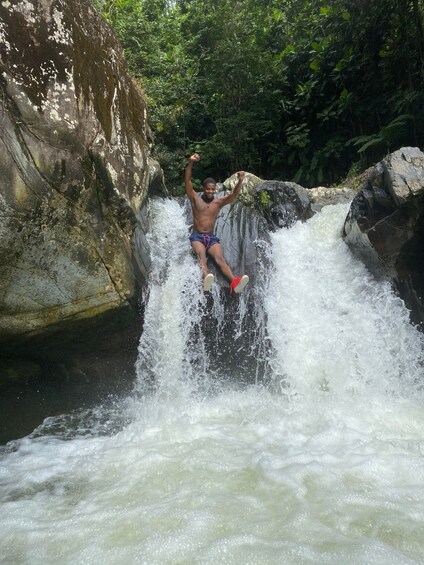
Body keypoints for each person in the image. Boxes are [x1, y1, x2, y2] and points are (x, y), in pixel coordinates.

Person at [184, 153, 249, 293]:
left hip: (211, 238)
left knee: (219, 258)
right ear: (203, 188)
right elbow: (187, 181)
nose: (210, 191)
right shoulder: (195, 198)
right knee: (201, 255)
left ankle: (234, 282)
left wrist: (240, 181)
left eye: (213, 189)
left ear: (215, 190)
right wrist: (190, 163)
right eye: (208, 188)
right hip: (197, 236)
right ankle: (205, 276)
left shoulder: (218, 202)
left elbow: (233, 195)